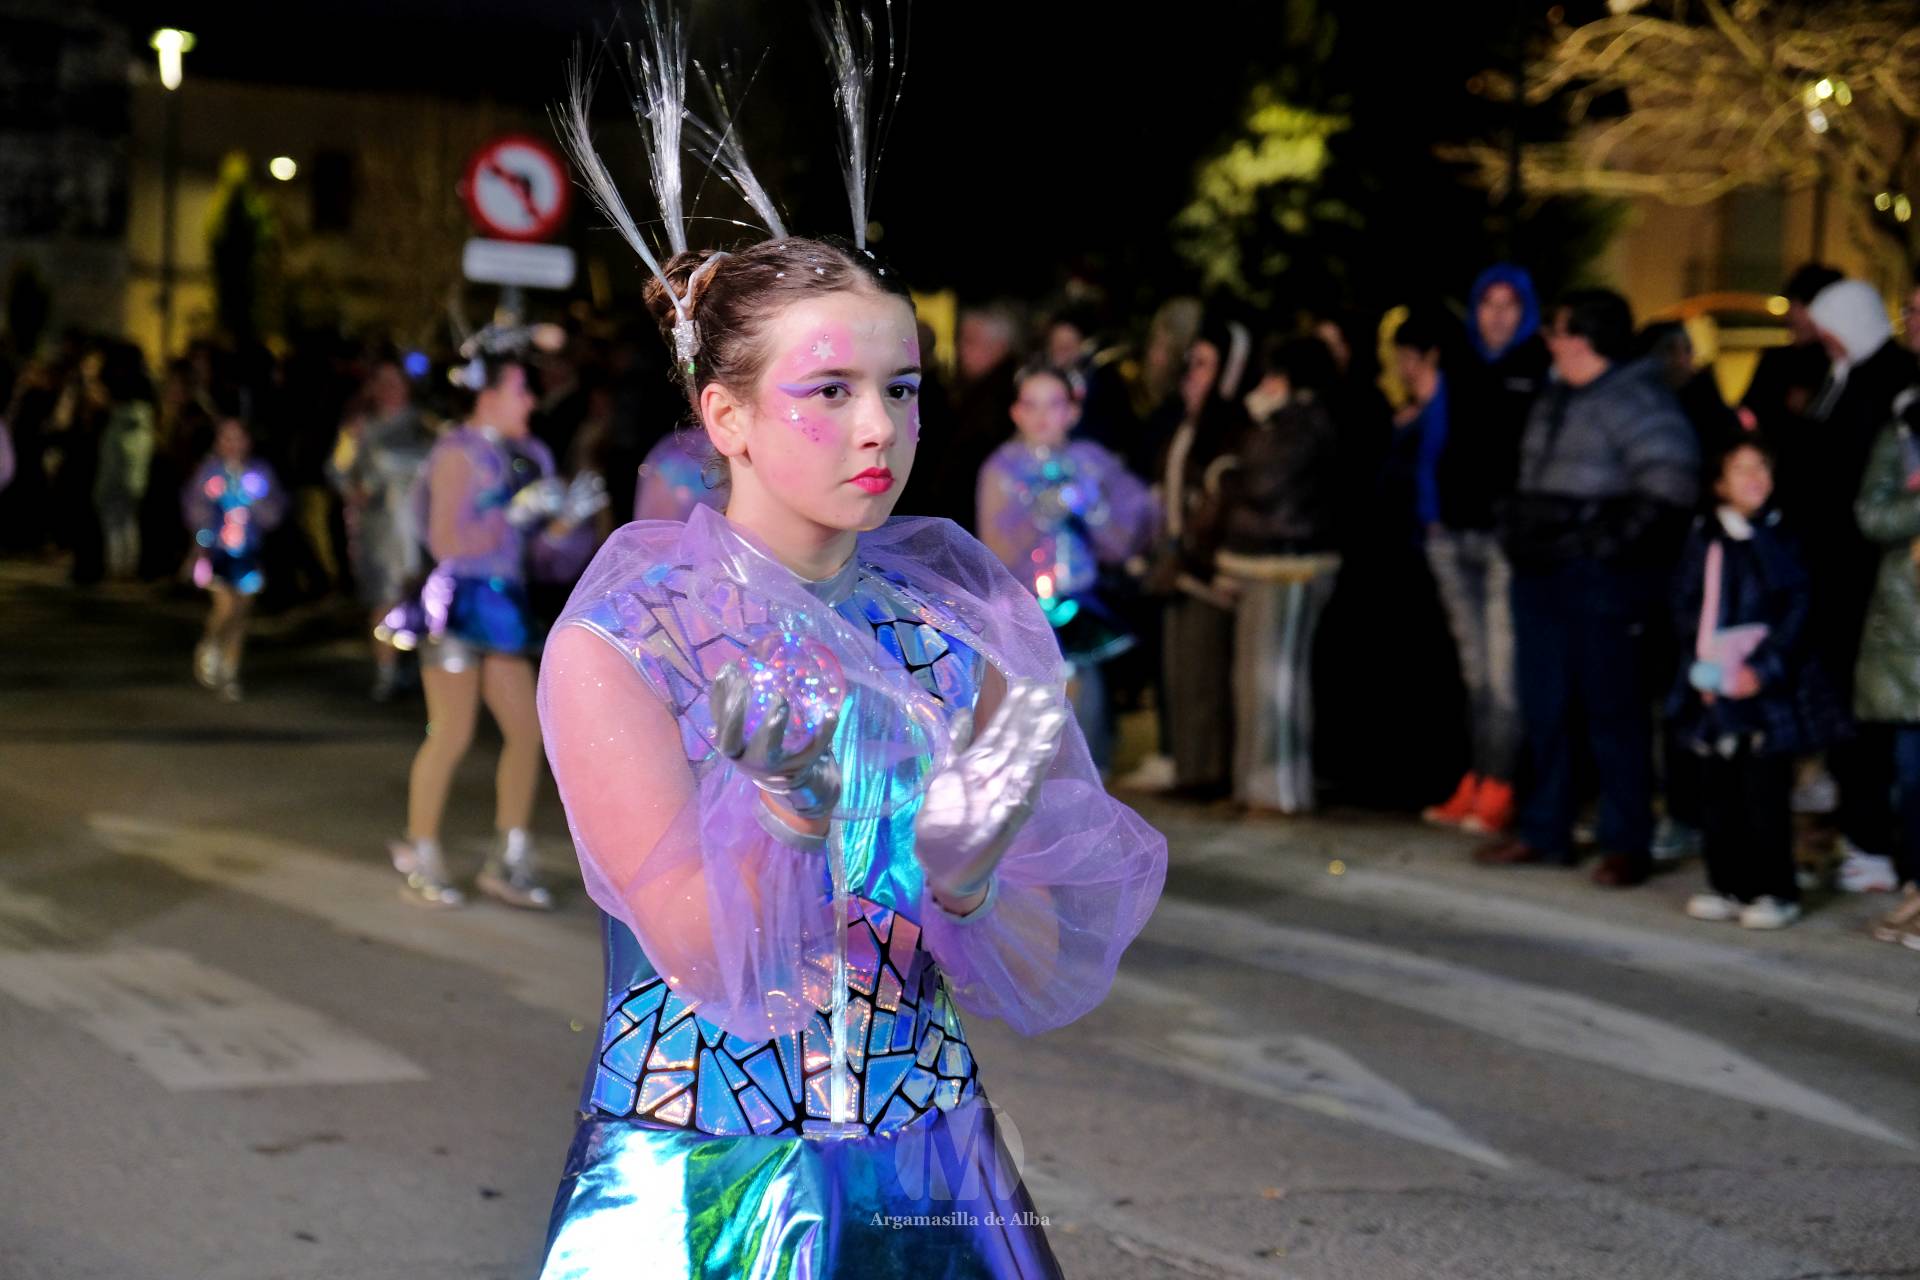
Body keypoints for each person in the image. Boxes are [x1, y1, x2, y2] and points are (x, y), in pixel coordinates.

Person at [534, 38, 1166, 1266]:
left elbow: (1029, 972)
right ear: (728, 417)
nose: (881, 425)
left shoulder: (949, 637)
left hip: (929, 1156)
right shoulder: (629, 640)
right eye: (829, 391)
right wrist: (784, 809)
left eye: (906, 386)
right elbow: (707, 961)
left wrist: (972, 874)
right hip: (708, 1164)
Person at [1480, 289, 1700, 886]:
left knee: (1614, 711)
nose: (1548, 341)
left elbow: (1671, 486)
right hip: (1543, 574)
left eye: (1555, 330)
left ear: (1584, 338)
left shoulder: (1637, 398)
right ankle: (1544, 828)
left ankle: (1626, 839)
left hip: (1605, 582)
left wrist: (1600, 545)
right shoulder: (1557, 395)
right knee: (1544, 705)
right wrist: (1519, 525)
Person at [383, 346, 602, 911]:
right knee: (451, 731)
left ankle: (510, 857)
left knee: (527, 733)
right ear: (491, 394)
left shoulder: (530, 453)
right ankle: (422, 848)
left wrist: (563, 526)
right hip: (457, 603)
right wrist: (513, 514)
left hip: (505, 606)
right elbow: (447, 542)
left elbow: (547, 561)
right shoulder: (457, 452)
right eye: (522, 389)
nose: (531, 400)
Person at [1669, 441, 1843, 930]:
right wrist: (1701, 663)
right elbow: (1685, 601)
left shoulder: (1784, 534)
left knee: (1762, 791)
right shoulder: (1704, 536)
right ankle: (1727, 883)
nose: (1754, 476)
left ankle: (1775, 889)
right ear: (1719, 484)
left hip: (1765, 687)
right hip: (1710, 681)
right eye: (1740, 468)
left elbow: (1799, 610)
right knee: (1716, 788)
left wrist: (1762, 670)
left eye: (1762, 466)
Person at [976, 361, 1155, 772]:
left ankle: (1088, 782)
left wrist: (1093, 509)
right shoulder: (1001, 469)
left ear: (1072, 411)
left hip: (1079, 608)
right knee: (1028, 719)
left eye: (1053, 404)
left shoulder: (1090, 461)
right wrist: (1039, 514)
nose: (1042, 417)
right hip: (1022, 614)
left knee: (1084, 710)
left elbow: (1124, 538)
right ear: (1016, 412)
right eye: (1031, 405)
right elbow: (995, 549)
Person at [1214, 336, 1342, 813]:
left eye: (1274, 376)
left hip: (1291, 564)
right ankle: (1253, 785)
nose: (1264, 386)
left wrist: (1230, 470)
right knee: (1253, 678)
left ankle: (1281, 790)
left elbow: (1261, 480)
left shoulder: (1302, 423)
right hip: (1264, 560)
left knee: (1277, 681)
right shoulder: (1282, 423)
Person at [1851, 395, 1920, 947]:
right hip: (1906, 634)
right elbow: (1871, 515)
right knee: (1913, 778)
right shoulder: (1903, 429)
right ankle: (1917, 890)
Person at [329, 357, 437, 701]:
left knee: (424, 595)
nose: (391, 390)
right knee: (385, 595)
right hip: (379, 526)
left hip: (424, 524)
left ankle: (424, 670)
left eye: (397, 382)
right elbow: (336, 469)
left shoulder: (427, 426)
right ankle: (387, 671)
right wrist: (351, 489)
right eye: (384, 383)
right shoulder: (358, 428)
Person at [182, 409, 284, 701]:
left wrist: (255, 500)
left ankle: (230, 671)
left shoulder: (259, 473)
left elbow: (273, 515)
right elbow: (194, 509)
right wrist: (205, 529)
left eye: (238, 438)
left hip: (248, 553)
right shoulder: (208, 472)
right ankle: (210, 645)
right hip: (215, 552)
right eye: (226, 438)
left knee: (242, 612)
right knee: (225, 606)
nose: (232, 444)